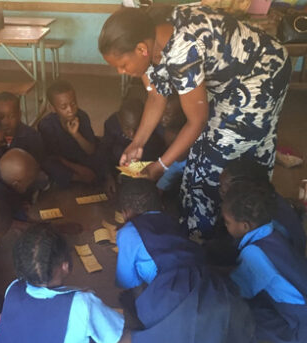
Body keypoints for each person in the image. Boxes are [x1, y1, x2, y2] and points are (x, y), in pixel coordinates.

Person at [99, 5, 291, 241]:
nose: (120, 71)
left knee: (219, 155)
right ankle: (195, 221)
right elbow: (155, 95)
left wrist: (159, 166)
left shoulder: (182, 50)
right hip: (225, 76)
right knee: (199, 150)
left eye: (122, 65)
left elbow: (196, 121)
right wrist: (137, 143)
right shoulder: (149, 40)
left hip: (260, 73)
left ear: (141, 49)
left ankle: (225, 230)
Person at [116, 179, 257, 343]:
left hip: (173, 290)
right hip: (209, 283)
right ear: (160, 205)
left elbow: (126, 282)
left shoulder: (127, 232)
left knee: (132, 307)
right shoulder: (171, 220)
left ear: (125, 212)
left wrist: (145, 310)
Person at [0, 224, 133, 343]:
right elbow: (111, 338)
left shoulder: (13, 288)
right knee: (132, 338)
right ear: (65, 266)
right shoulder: (82, 302)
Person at [222, 180, 307, 343]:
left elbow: (236, 291)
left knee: (231, 314)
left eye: (227, 222)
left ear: (244, 226)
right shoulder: (273, 231)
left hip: (301, 330)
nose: (225, 226)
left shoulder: (254, 254)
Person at [38, 80, 107, 187]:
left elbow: (90, 150)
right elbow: (53, 156)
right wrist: (79, 171)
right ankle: (78, 178)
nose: (70, 110)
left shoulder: (82, 116)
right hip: (62, 161)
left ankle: (77, 178)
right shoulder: (46, 125)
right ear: (52, 108)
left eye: (73, 103)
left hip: (80, 155)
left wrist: (76, 135)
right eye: (63, 107)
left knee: (102, 153)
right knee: (47, 165)